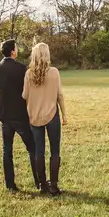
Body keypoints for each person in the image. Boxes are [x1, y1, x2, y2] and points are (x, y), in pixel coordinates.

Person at [0, 39, 38, 192]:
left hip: (4, 115)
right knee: (32, 148)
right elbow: (27, 93)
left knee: (7, 150)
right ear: (12, 51)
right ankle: (39, 182)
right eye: (16, 48)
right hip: (20, 115)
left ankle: (10, 185)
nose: (17, 50)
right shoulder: (22, 69)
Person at [23, 42, 67, 197]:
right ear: (47, 55)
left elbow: (24, 96)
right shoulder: (54, 72)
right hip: (52, 114)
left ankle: (42, 185)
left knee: (38, 152)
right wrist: (65, 115)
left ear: (34, 55)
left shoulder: (29, 74)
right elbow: (60, 95)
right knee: (55, 151)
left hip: (34, 116)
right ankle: (53, 186)